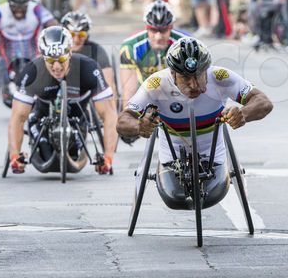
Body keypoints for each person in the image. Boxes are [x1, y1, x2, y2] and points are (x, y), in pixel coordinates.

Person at [116, 37, 272, 190]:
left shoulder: (220, 77)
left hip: (214, 157)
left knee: (214, 191)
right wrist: (139, 125)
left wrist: (243, 113)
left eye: (198, 75)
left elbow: (264, 102)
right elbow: (123, 120)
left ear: (206, 70)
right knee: (175, 199)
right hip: (171, 158)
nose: (193, 85)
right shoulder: (157, 84)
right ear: (172, 74)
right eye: (185, 78)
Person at [8, 26, 117, 174]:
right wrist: (14, 155)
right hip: (41, 117)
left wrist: (108, 157)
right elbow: (18, 117)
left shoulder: (89, 68)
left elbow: (109, 114)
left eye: (61, 59)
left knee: (74, 150)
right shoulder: (32, 71)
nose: (57, 66)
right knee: (43, 151)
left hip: (77, 119)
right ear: (42, 56)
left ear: (70, 52)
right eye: (51, 60)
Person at [119, 0, 187, 109]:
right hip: (146, 96)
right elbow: (128, 91)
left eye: (164, 30)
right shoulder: (130, 47)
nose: (158, 36)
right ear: (147, 27)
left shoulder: (185, 44)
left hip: (178, 96)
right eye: (153, 30)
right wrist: (128, 116)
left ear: (171, 27)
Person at [61, 11, 116, 99]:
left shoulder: (97, 51)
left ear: (87, 35)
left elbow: (109, 86)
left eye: (81, 35)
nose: (76, 40)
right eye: (71, 34)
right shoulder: (58, 49)